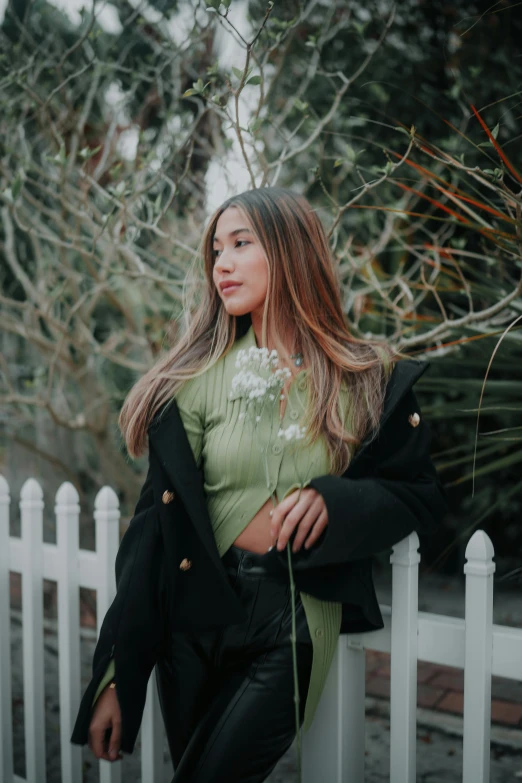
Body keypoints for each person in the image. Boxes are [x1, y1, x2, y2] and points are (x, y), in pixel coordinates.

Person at [70, 186, 448, 781]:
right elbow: (151, 536)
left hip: (292, 617)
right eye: (217, 249)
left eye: (241, 243)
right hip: (191, 622)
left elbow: (417, 492)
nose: (221, 262)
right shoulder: (193, 382)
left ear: (292, 250)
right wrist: (117, 673)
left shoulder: (366, 377)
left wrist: (337, 500)